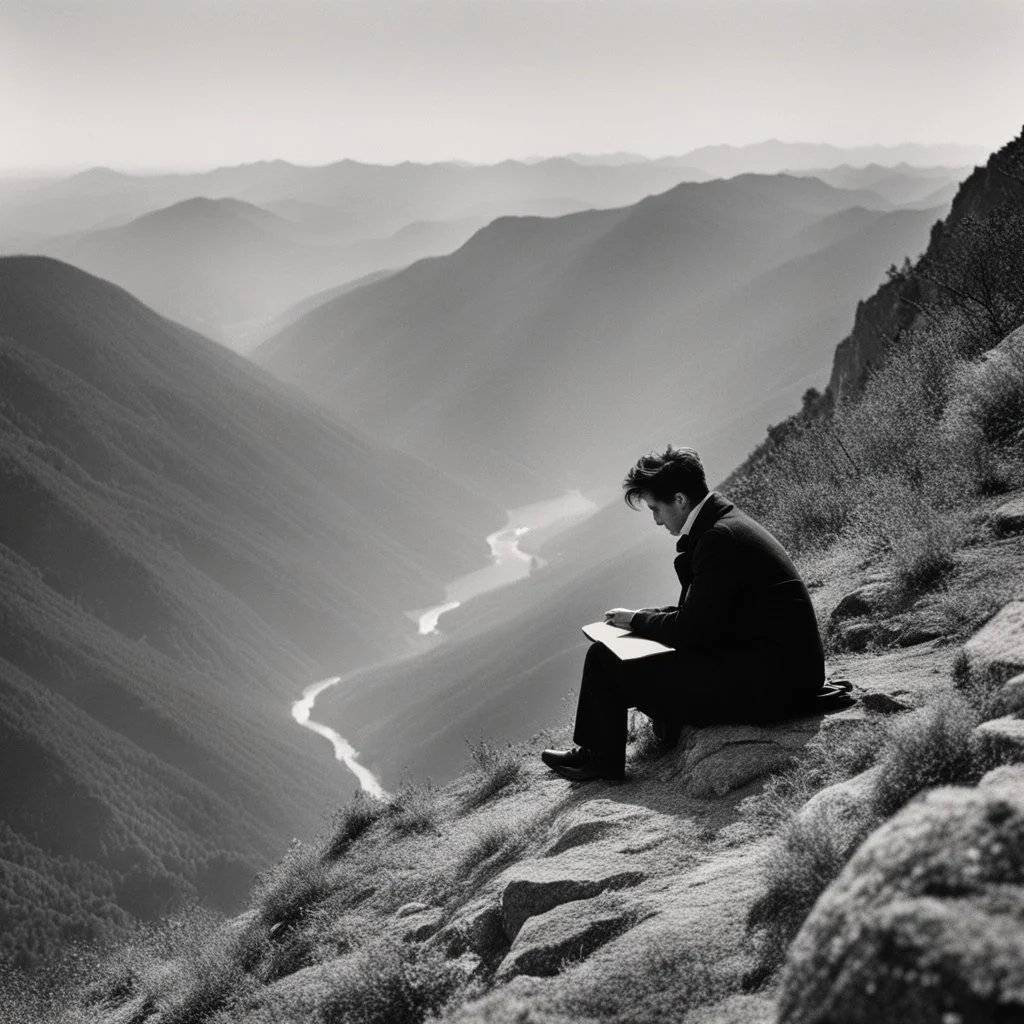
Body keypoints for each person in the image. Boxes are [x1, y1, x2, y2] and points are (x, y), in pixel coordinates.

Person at [542, 445, 825, 782]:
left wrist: (636, 622)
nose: (657, 519)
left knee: (604, 658)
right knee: (626, 653)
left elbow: (691, 631)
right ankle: (627, 739)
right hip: (780, 671)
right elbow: (706, 613)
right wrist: (639, 617)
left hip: (773, 685)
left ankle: (600, 758)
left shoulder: (718, 539)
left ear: (679, 500)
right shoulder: (725, 525)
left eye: (655, 508)